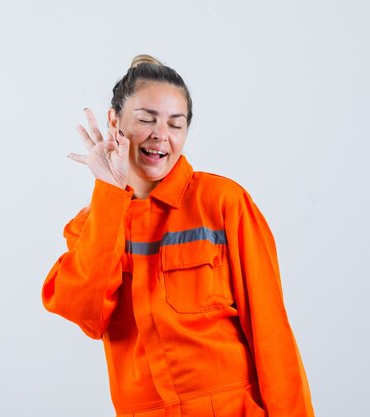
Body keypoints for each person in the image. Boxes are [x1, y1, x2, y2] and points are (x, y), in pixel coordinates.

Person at [41, 54, 314, 417]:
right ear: (114, 122)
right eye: (146, 120)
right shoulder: (92, 224)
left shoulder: (222, 203)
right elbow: (86, 315)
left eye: (175, 124)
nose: (161, 136)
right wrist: (109, 192)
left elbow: (271, 332)